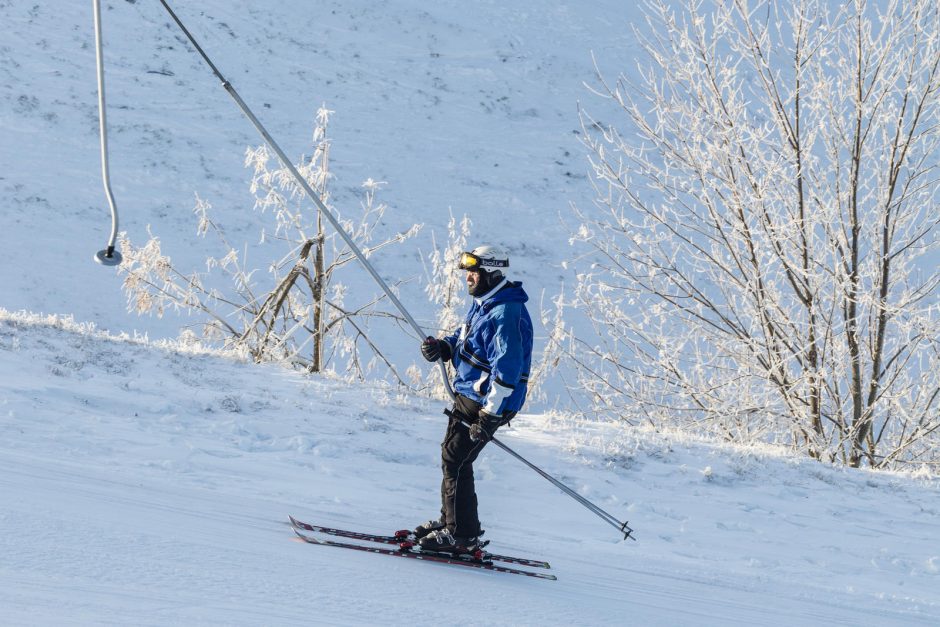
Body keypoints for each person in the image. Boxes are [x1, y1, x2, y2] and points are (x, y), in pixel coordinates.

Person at [415, 244, 534, 553]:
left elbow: (507, 368)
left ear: (492, 273)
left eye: (473, 272)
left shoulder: (505, 313)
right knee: (452, 456)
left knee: (456, 458)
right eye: (466, 272)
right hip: (470, 394)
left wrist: (490, 415)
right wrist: (444, 347)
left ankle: (461, 535)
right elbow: (465, 337)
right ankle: (451, 524)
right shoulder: (485, 303)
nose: (467, 277)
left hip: (488, 402)